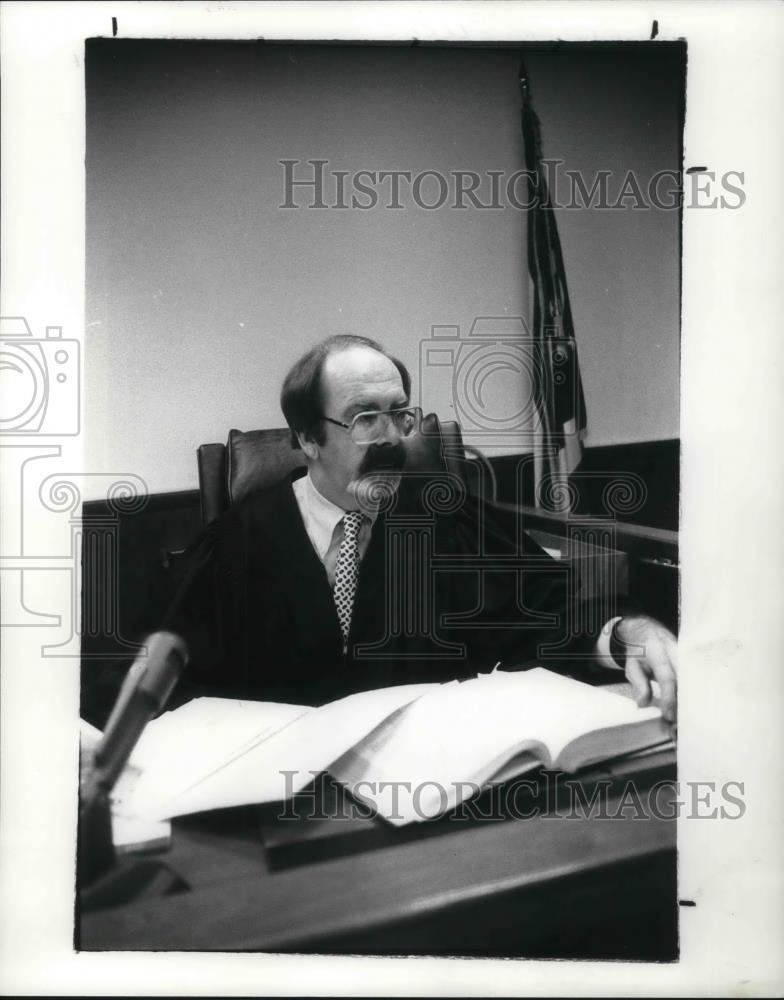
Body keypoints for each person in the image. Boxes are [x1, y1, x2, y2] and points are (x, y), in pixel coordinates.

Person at [166, 334, 677, 721]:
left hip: (440, 784)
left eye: (400, 415)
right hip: (292, 801)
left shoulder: (448, 518)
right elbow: (170, 672)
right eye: (365, 418)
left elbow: (550, 615)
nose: (393, 438)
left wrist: (627, 634)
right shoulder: (239, 542)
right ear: (308, 438)